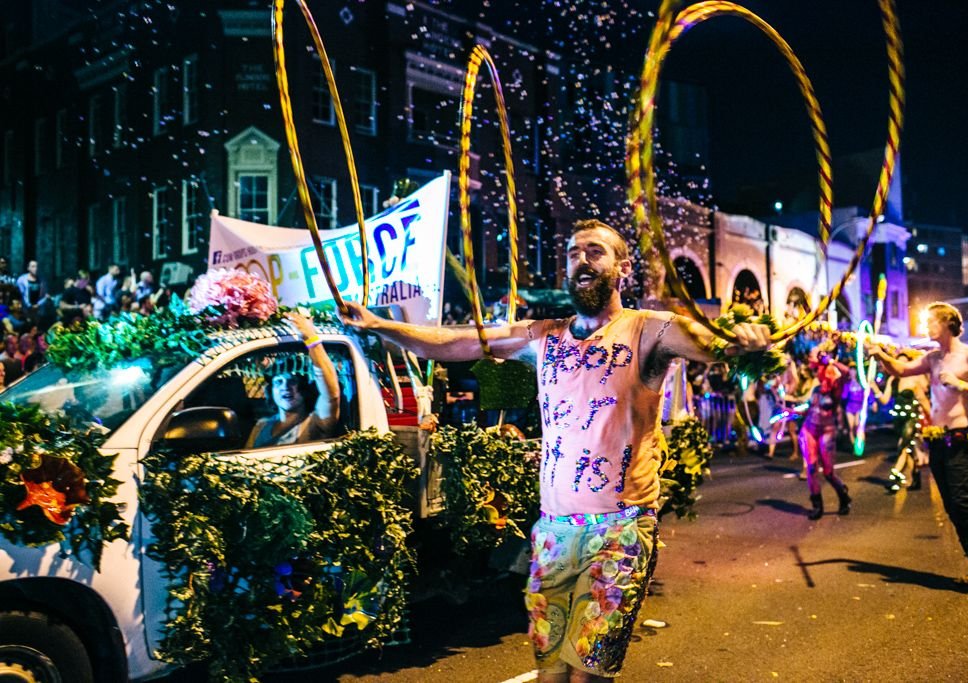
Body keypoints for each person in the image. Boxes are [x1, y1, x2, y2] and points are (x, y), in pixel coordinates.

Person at [338, 218, 771, 681]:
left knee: (587, 674)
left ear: (623, 267)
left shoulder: (649, 330)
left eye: (594, 252)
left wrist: (739, 339)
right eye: (572, 252)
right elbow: (458, 341)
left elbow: (706, 340)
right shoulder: (544, 336)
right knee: (550, 673)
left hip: (619, 532)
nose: (581, 260)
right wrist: (378, 324)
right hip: (553, 533)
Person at [869, 302, 968, 598]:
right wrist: (881, 354)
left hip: (961, 439)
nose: (926, 326)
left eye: (931, 322)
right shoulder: (932, 358)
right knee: (953, 506)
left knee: (964, 502)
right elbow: (901, 368)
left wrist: (961, 385)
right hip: (938, 440)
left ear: (947, 324)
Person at [245, 311, 342, 449]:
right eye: (278, 382)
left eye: (292, 381)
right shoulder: (262, 426)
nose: (285, 387)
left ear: (304, 388)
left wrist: (311, 338)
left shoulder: (314, 422)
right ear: (270, 390)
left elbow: (332, 396)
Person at [800, 345, 853, 519]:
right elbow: (809, 408)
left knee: (829, 472)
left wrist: (830, 360)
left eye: (812, 356)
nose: (808, 359)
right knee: (811, 468)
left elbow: (848, 374)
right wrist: (792, 411)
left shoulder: (834, 387)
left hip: (827, 430)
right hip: (809, 429)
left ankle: (843, 496)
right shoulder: (814, 387)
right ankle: (817, 505)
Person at [872, 351, 931, 492]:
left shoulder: (914, 379)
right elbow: (884, 400)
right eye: (898, 362)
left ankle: (895, 477)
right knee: (908, 449)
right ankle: (916, 477)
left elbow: (923, 400)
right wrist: (874, 388)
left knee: (903, 447)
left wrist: (932, 419)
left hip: (912, 418)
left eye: (904, 361)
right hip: (899, 419)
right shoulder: (893, 380)